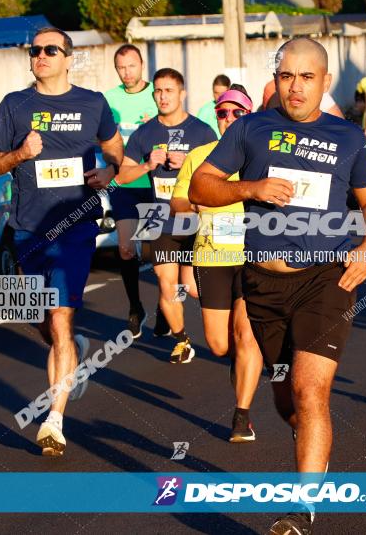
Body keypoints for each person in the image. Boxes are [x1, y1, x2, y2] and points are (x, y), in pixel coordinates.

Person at [189, 37, 366, 534]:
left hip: (328, 278)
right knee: (286, 400)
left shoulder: (347, 138)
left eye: (306, 77)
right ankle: (313, 457)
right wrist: (248, 188)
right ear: (276, 80)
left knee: (309, 389)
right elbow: (201, 186)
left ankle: (302, 510)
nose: (295, 87)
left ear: (324, 81)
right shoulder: (253, 128)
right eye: (286, 76)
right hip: (261, 281)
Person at [0, 27, 124, 455]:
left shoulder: (92, 102)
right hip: (28, 227)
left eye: (50, 50)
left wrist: (110, 172)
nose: (40, 56)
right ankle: (74, 350)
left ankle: (54, 421)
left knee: (60, 318)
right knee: (44, 319)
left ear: (68, 57)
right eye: (35, 50)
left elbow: (115, 148)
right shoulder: (14, 105)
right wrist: (20, 155)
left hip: (76, 226)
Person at [171, 85, 264, 443]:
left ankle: (242, 416)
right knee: (219, 344)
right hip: (211, 257)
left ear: (248, 116)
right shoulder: (200, 157)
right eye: (223, 113)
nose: (229, 119)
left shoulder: (260, 155)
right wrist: (194, 207)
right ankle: (239, 365)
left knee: (246, 336)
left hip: (254, 256)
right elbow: (177, 203)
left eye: (237, 113)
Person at [116, 68, 216, 364]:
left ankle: (169, 307)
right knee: (165, 281)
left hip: (194, 217)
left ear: (182, 94)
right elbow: (121, 174)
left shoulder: (202, 132)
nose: (162, 96)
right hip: (157, 215)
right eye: (158, 91)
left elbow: (220, 175)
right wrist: (147, 166)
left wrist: (191, 165)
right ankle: (182, 340)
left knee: (190, 289)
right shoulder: (144, 134)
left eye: (169, 90)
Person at [104, 44, 159, 339]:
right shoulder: (108, 101)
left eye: (132, 66)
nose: (127, 73)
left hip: (153, 185)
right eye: (121, 68)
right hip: (123, 184)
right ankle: (135, 306)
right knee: (126, 248)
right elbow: (100, 139)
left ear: (142, 66)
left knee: (153, 251)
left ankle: (166, 306)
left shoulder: (157, 96)